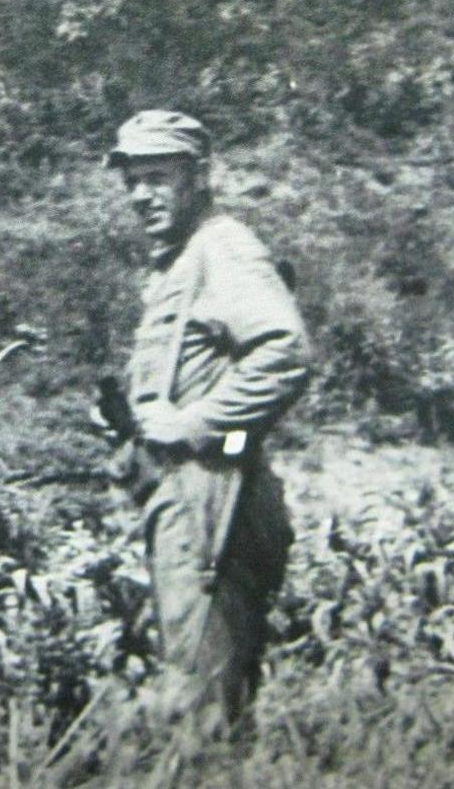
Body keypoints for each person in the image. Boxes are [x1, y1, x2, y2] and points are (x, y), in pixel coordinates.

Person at [104, 109, 311, 737]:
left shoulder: (223, 247)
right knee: (208, 688)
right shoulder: (182, 258)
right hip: (195, 488)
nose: (142, 196)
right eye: (133, 180)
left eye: (159, 178)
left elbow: (285, 350)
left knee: (201, 703)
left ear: (200, 177)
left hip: (213, 494)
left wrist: (194, 424)